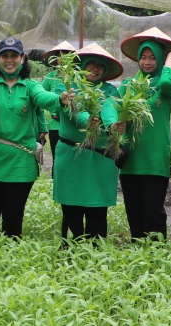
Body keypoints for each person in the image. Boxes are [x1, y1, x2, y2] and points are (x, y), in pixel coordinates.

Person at [0, 36, 64, 238]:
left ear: (22, 59)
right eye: (5, 55)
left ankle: (10, 265)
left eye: (14, 55)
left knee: (14, 218)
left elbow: (44, 99)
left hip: (21, 162)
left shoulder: (30, 86)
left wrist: (60, 99)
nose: (9, 60)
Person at [114, 27, 171, 240]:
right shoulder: (129, 84)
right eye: (143, 57)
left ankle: (157, 255)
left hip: (155, 158)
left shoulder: (166, 88)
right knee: (133, 210)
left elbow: (166, 81)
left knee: (153, 210)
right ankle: (139, 253)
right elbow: (117, 112)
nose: (147, 62)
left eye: (153, 57)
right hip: (131, 157)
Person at [52, 43, 122, 243]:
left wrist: (112, 125)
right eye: (91, 64)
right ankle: (70, 253)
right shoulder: (65, 87)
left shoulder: (109, 90)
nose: (95, 69)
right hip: (72, 157)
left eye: (100, 66)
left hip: (100, 159)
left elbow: (109, 109)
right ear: (81, 66)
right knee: (71, 210)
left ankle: (96, 256)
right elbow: (72, 108)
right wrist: (86, 121)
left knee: (97, 212)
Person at [40, 41, 75, 160]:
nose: (64, 58)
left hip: (75, 124)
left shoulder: (78, 77)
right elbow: (39, 98)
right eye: (61, 55)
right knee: (57, 158)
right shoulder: (51, 77)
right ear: (56, 58)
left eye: (68, 54)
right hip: (56, 125)